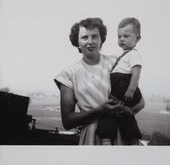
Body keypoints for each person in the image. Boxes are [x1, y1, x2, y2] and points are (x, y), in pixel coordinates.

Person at [54, 17, 144, 145]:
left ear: (101, 39)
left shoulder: (116, 63)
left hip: (122, 136)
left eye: (95, 36)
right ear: (77, 41)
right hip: (92, 138)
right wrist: (99, 111)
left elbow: (140, 102)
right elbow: (67, 121)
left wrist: (127, 111)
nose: (90, 41)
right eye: (84, 37)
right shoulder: (68, 74)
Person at [96, 17, 144, 145]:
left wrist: (131, 89)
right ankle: (106, 141)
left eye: (126, 36)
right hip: (117, 90)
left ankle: (133, 143)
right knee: (111, 116)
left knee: (126, 118)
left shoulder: (134, 54)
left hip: (125, 88)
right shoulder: (123, 55)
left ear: (137, 38)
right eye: (119, 36)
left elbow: (136, 72)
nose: (122, 39)